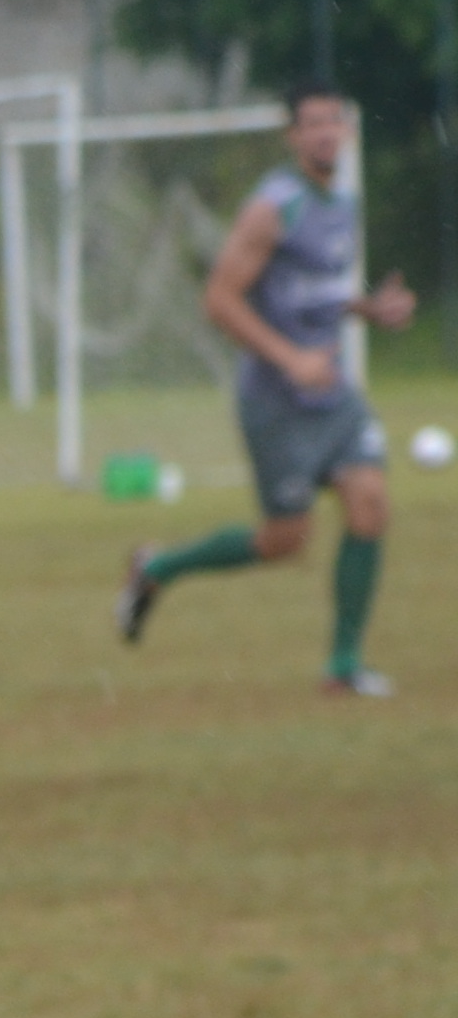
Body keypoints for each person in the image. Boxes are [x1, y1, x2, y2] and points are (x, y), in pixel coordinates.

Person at [121, 86, 423, 695]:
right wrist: (291, 359)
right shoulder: (272, 207)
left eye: (333, 121)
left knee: (369, 503)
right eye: (311, 124)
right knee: (285, 540)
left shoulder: (342, 200)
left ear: (346, 130)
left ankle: (342, 667)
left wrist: (367, 309)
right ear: (292, 136)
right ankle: (156, 569)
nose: (324, 133)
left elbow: (316, 292)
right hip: (275, 401)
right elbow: (219, 300)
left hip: (332, 395)